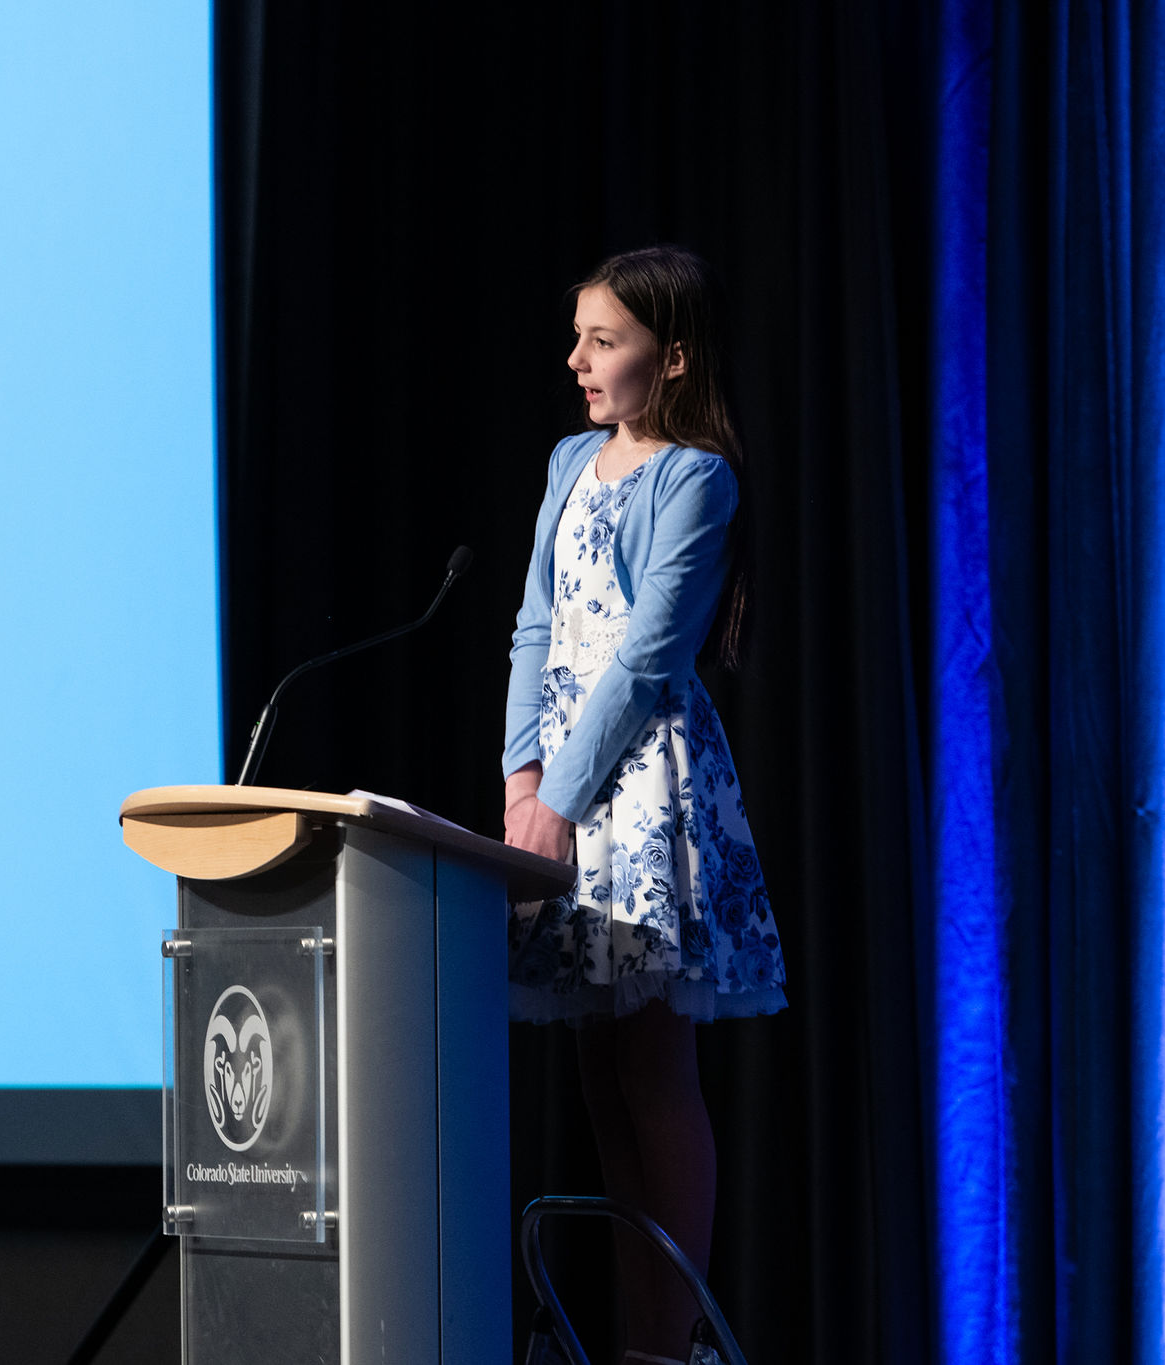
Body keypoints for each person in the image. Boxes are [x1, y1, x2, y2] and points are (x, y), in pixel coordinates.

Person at [501, 245, 786, 1364]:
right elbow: (535, 628)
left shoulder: (697, 478)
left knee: (653, 1073)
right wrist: (520, 784)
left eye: (601, 340)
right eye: (577, 335)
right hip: (561, 797)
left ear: (667, 360)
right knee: (599, 1079)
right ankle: (632, 1335)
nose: (575, 358)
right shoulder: (571, 459)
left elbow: (647, 657)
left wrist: (561, 799)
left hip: (642, 792)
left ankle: (664, 1348)